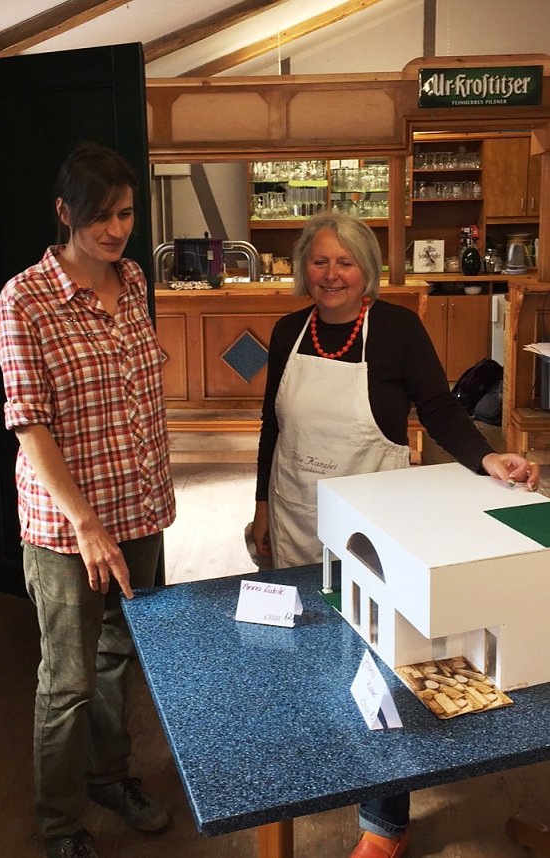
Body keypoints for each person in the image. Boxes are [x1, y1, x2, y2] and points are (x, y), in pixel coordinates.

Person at [251, 212, 539, 858]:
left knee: (381, 665)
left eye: (343, 262)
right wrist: (260, 507)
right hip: (298, 513)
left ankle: (385, 820)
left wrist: (486, 458)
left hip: (373, 527)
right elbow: (272, 429)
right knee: (311, 655)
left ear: (366, 273)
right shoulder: (284, 333)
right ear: (304, 270)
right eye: (318, 262)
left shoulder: (397, 330)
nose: (329, 275)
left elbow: (438, 409)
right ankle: (324, 765)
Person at [0, 142, 176, 858]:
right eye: (99, 215)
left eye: (125, 213)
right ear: (64, 212)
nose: (115, 228)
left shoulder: (131, 280)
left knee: (117, 656)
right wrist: (86, 524)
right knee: (66, 680)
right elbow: (29, 425)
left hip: (139, 509)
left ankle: (110, 776)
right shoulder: (24, 299)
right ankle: (60, 821)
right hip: (69, 527)